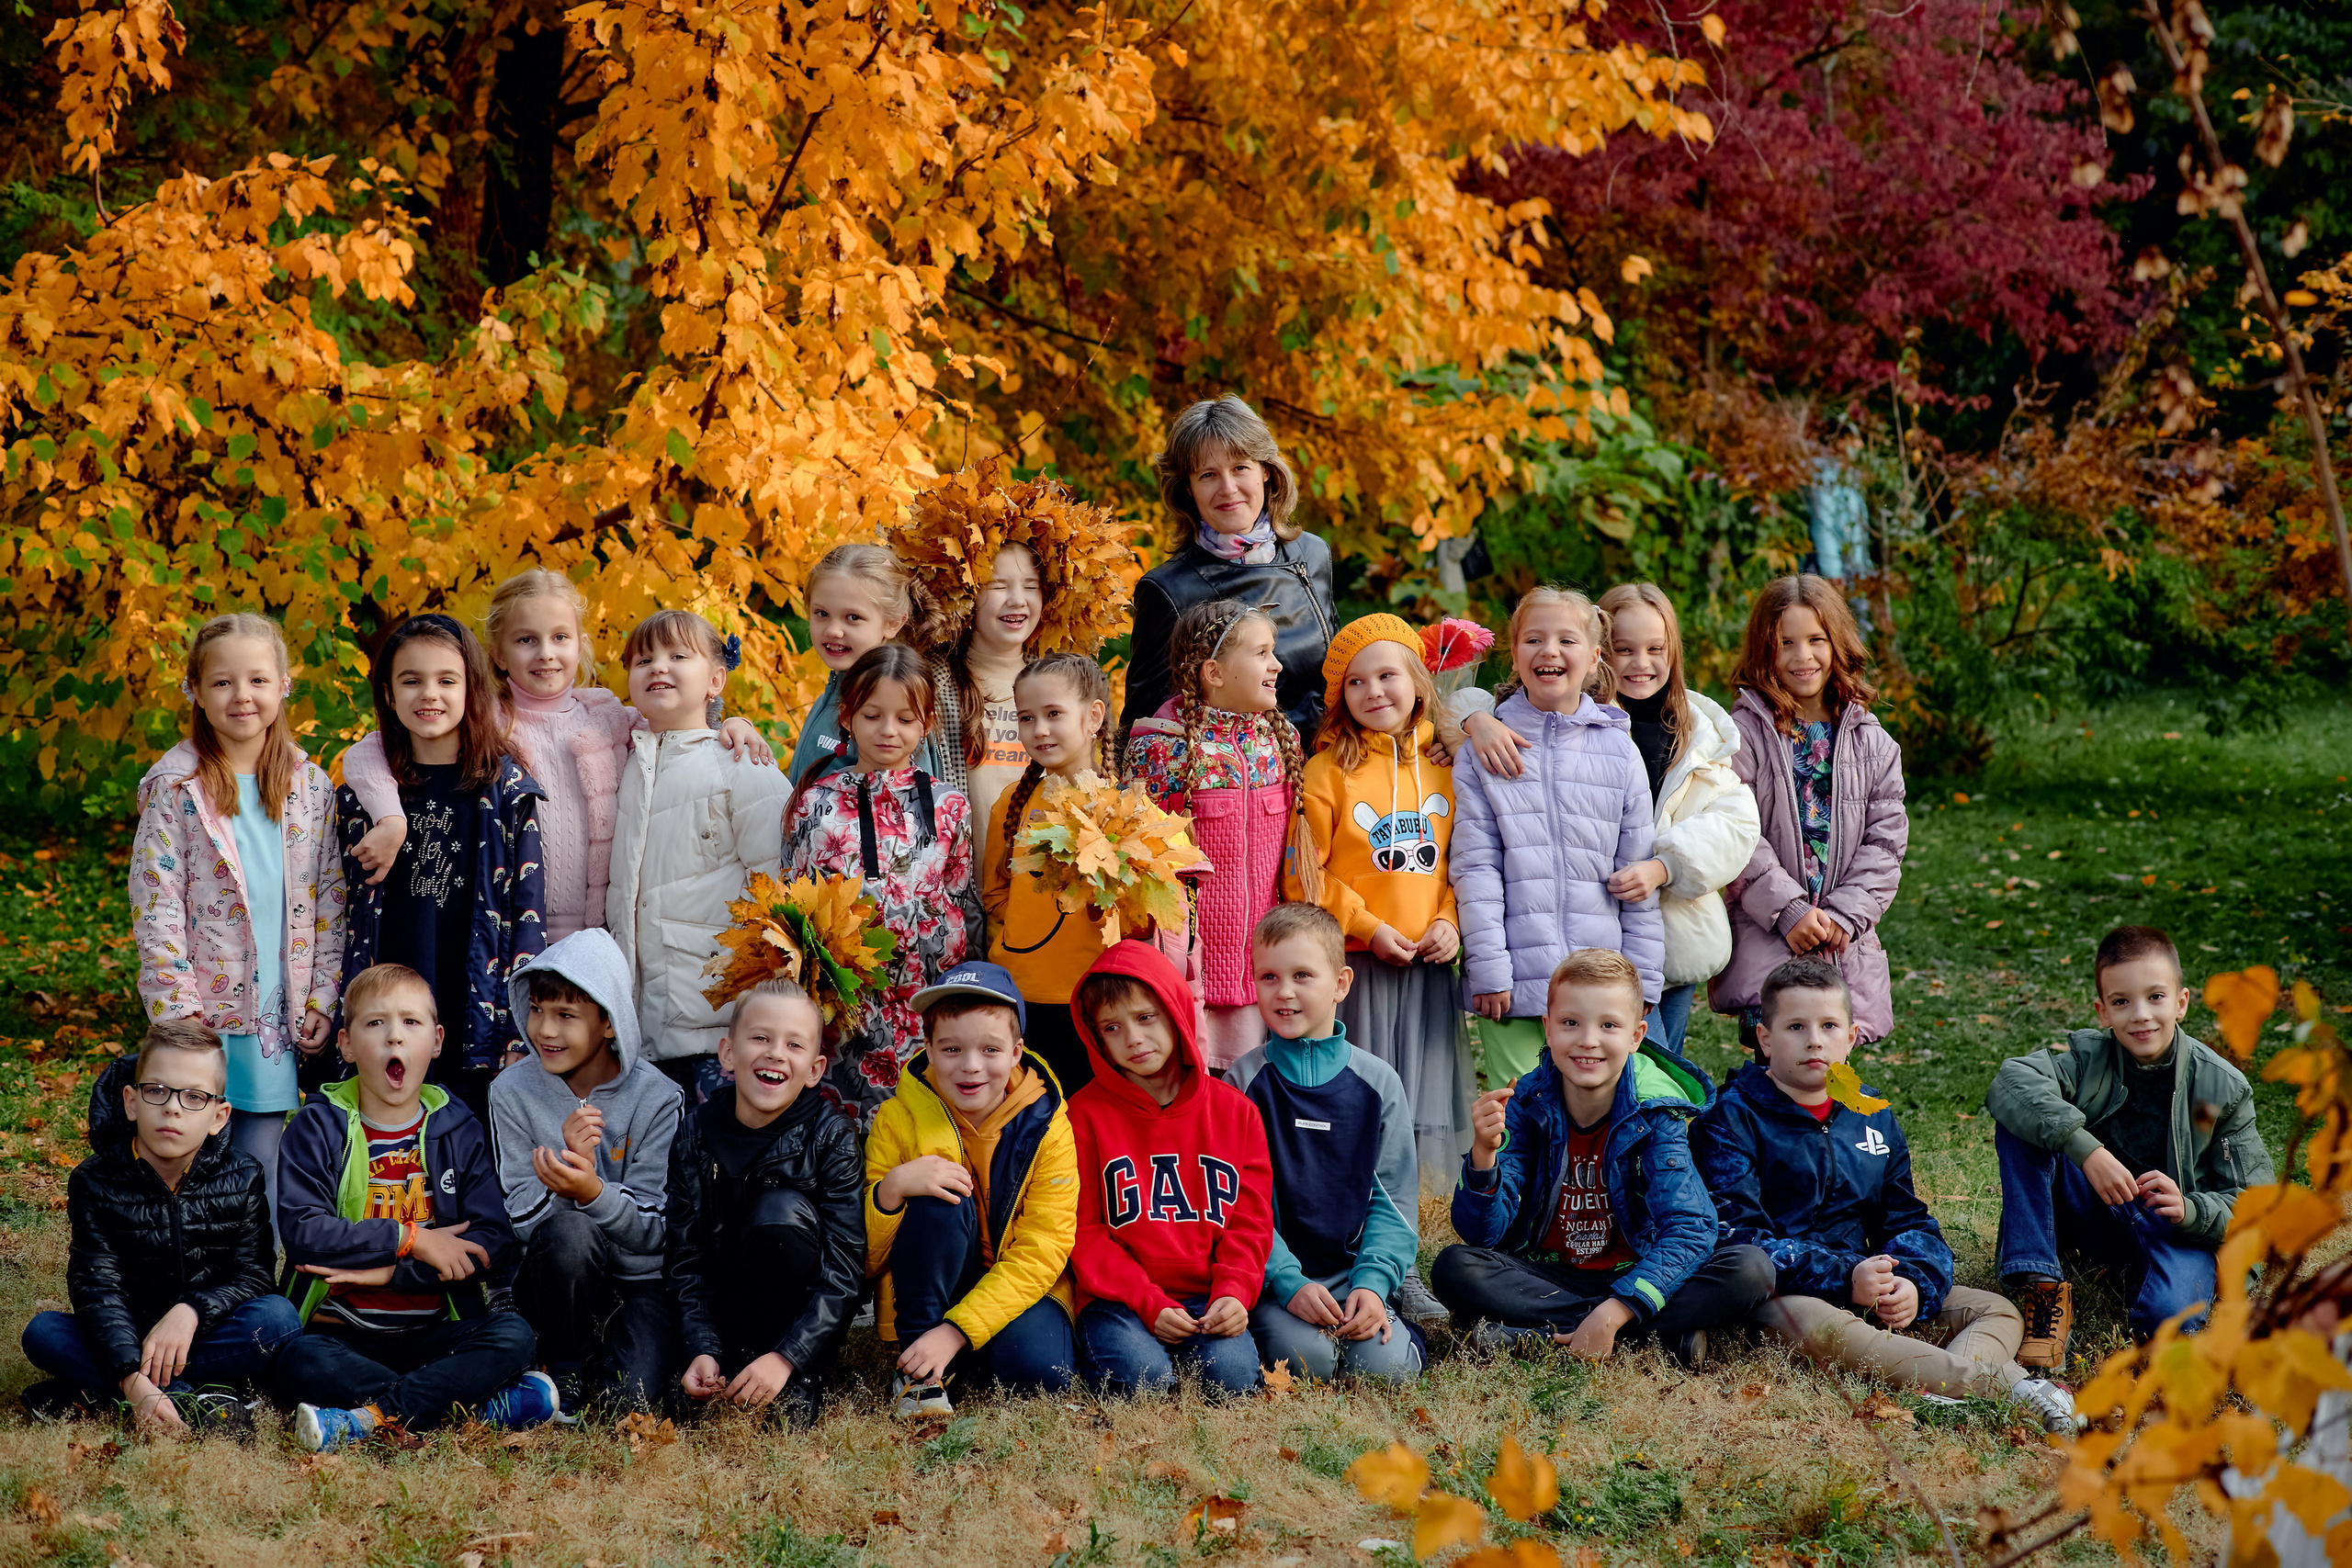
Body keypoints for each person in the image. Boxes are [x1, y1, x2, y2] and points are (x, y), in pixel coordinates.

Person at [1694, 958, 2077, 1432]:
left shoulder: (1872, 1115)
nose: (1814, 1039)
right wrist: (1843, 1277)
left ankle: (1941, 1396)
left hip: (1869, 1285)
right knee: (1820, 1325)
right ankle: (2012, 1388)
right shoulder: (1730, 1118)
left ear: (1851, 1037)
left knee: (1993, 1310)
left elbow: (1908, 1219)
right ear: (1765, 1039)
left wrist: (1913, 1282)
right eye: (1796, 1026)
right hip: (1784, 1298)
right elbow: (1736, 1236)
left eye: (1829, 1025)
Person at [340, 570, 774, 940]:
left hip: (602, 929)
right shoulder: (483, 718)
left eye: (560, 637)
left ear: (580, 644)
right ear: (498, 653)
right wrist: (391, 818)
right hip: (508, 929)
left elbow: (678, 727)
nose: (546, 652)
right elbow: (368, 753)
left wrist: (728, 723)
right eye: (526, 639)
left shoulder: (605, 714)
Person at [1431, 949, 1772, 1367]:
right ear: (1548, 1030)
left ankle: (1541, 1336)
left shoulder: (1656, 1114)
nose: (1588, 1039)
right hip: (1550, 1273)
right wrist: (1484, 1156)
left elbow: (1691, 1228)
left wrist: (1616, 1309)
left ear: (1636, 1035)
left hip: (1637, 1267)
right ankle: (1650, 1336)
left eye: (1608, 1025)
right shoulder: (1525, 1105)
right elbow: (1482, 1234)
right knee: (1454, 1267)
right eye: (1571, 1023)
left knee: (1751, 1270)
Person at [274, 964, 553, 1450]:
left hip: (433, 1330)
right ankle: (475, 1409)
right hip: (342, 1333)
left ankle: (366, 1418)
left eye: (410, 1022)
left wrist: (392, 1274)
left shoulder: (457, 1126)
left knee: (515, 1335)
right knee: (296, 1359)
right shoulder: (316, 1127)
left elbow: (491, 1240)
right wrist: (413, 1239)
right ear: (345, 1044)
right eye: (375, 1023)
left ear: (438, 1040)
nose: (394, 1039)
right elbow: (304, 1232)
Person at [130, 613, 345, 1235]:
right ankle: (188, 1268)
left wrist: (322, 995)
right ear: (194, 688)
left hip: (278, 1005)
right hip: (204, 1007)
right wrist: (177, 1011)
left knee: (262, 1145)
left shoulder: (308, 785)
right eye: (222, 681)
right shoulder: (177, 787)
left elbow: (330, 897)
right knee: (193, 1145)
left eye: (257, 679)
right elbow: (157, 903)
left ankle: (260, 1282)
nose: (241, 695)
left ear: (284, 685)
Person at [1986, 925, 2271, 1364]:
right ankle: (2042, 1288)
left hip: (2174, 1226)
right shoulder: (2089, 1059)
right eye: (2122, 1002)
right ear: (2103, 1011)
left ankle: (2147, 1279)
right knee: (2024, 1121)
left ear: (2181, 1002)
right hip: (2100, 1203)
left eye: (2156, 997)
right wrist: (2089, 1152)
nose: (2140, 1015)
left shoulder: (2222, 1089)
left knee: (2166, 1324)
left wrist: (2191, 1209)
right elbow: (2011, 1082)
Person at [20, 1021, 302, 1433]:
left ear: (219, 1117)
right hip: (129, 1333)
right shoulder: (94, 1181)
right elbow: (97, 1286)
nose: (172, 1108)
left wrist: (191, 1311)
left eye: (193, 1097)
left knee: (279, 1320)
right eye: (157, 1091)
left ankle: (98, 1392)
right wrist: (134, 1380)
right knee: (44, 1333)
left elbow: (254, 1276)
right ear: (132, 1102)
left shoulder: (242, 1175)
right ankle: (194, 1400)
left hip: (206, 1333)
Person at [335, 614, 547, 1121]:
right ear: (388, 694)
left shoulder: (509, 792)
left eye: (446, 680)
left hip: (476, 1014)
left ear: (472, 688)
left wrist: (519, 1028)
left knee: (468, 1163)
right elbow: (337, 906)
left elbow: (528, 916)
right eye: (411, 680)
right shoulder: (362, 798)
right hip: (383, 1016)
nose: (429, 694)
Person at [1452, 588, 1664, 1089]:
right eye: (1533, 639)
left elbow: (1635, 870)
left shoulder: (1619, 750)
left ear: (1593, 658)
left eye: (1566, 640)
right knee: (1521, 1118)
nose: (1548, 651)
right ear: (1515, 653)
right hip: (1514, 988)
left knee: (1597, 1118)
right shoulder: (1483, 748)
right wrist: (1488, 968)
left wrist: (1643, 977)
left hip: (1600, 988)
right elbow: (1476, 868)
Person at [1287, 613, 1469, 1190]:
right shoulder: (1326, 771)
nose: (1374, 691)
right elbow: (1303, 877)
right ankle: (1355, 1194)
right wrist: (1366, 927)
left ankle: (1422, 1200)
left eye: (1387, 675)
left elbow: (1465, 862)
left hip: (1428, 962)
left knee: (1424, 1091)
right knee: (1363, 1088)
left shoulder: (1448, 768)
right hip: (1358, 963)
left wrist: (1450, 921)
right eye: (1355, 683)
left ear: (1417, 678)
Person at [864, 960, 1079, 1417]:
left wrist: (958, 1331)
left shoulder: (1048, 1127)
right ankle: (918, 1373)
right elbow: (864, 1257)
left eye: (990, 1050)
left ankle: (958, 1349)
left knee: (1039, 1374)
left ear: (1017, 1052)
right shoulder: (897, 1119)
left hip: (1016, 1285)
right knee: (937, 1191)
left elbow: (1044, 1247)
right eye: (952, 1049)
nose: (971, 1067)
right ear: (929, 1048)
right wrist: (892, 1190)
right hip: (935, 1283)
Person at [1225, 905, 1424, 1383]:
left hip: (1354, 1274)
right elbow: (1236, 1204)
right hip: (1275, 1280)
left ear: (1340, 983)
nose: (1284, 992)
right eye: (1268, 977)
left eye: (1302, 976)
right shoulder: (1242, 1082)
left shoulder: (1378, 1083)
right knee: (1305, 1360)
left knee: (1381, 1372)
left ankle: (1403, 1326)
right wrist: (1286, 1282)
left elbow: (1393, 1201)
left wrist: (1373, 1286)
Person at [785, 642, 983, 1121]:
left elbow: (961, 898)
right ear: (848, 717)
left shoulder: (950, 804)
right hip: (846, 1007)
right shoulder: (815, 804)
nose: (888, 731)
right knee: (846, 1135)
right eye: (873, 715)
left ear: (926, 723)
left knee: (925, 1128)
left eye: (905, 718)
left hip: (928, 1003)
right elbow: (793, 910)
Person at [1708, 576, 1906, 1053]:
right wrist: (1789, 911)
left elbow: (1886, 843)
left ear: (1838, 643)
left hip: (1843, 941)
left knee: (1829, 1070)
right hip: (1771, 932)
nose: (1803, 657)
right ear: (1764, 651)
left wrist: (1843, 915)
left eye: (1816, 640)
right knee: (1776, 1066)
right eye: (1786, 644)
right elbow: (1736, 833)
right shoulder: (1741, 737)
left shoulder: (1873, 742)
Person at [1067, 941, 1274, 1398]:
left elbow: (1250, 1222)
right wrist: (1146, 1301)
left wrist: (1234, 1293)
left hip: (1208, 1295)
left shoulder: (1236, 1113)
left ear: (1176, 1011)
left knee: (1233, 1382)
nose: (1133, 1039)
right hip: (1119, 1299)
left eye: (1145, 1018)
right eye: (1112, 1027)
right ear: (1096, 1037)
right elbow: (1084, 1231)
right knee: (1146, 1382)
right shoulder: (1081, 1116)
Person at [491, 928, 683, 1415]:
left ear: (609, 1024)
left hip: (636, 1282)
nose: (544, 1030)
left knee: (632, 1401)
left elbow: (656, 1229)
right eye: (536, 1009)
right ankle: (564, 1361)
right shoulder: (511, 1093)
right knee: (572, 1233)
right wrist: (564, 1189)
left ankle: (612, 1345)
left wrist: (593, 1190)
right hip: (552, 1275)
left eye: (566, 1016)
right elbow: (524, 1222)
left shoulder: (658, 1099)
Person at [605, 609, 794, 1103]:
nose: (657, 667)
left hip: (718, 1019)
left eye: (678, 656)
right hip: (639, 1023)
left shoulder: (740, 763)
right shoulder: (625, 763)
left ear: (715, 679)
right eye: (643, 659)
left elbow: (779, 888)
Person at [665, 980, 865, 1429]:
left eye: (793, 1044)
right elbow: (684, 1258)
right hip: (724, 1309)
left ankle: (792, 1379)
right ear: (727, 1053)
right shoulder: (694, 1134)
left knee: (779, 1212)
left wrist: (788, 1357)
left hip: (797, 1325)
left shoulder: (832, 1136)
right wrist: (701, 1346)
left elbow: (844, 1269)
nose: (776, 1053)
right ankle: (726, 1363)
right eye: (760, 1038)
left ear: (815, 1069)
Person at [1125, 599, 1305, 1071]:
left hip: (1267, 967)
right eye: (1262, 653)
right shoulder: (1161, 748)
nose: (1277, 664)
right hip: (1191, 971)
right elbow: (1139, 863)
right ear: (1215, 672)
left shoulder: (1278, 740)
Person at [1594, 583, 1759, 1057]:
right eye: (1622, 649)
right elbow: (1481, 703)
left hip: (1674, 930)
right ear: (1597, 651)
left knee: (1665, 1062)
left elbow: (1735, 822)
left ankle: (1664, 1133)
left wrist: (1666, 866)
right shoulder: (1576, 717)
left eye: (1654, 649)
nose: (1639, 662)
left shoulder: (1696, 734)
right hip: (1600, 925)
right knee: (1631, 1062)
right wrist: (1472, 725)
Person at [1123, 397, 1335, 741]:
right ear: (1188, 489)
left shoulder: (1312, 553)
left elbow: (1342, 676)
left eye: (1240, 467)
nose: (1228, 488)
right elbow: (1143, 731)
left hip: (1328, 772)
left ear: (1266, 470)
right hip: (1234, 786)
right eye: (1208, 475)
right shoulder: (1169, 590)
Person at [982, 652, 1120, 1095]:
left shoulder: (1124, 809)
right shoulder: (1012, 804)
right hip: (1021, 1001)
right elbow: (994, 895)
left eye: (1054, 714)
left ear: (1093, 716)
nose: (1039, 730)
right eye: (1026, 717)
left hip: (1096, 999)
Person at [786, 543, 945, 786]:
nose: (833, 630)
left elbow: (910, 810)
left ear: (892, 623)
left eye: (853, 617)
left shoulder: (897, 706)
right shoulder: (835, 691)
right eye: (822, 613)